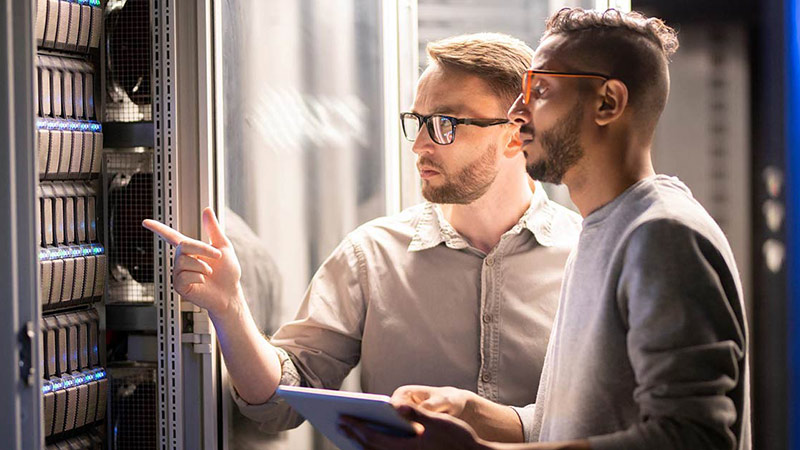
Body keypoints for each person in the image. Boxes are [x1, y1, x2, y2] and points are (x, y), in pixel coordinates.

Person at [339, 8, 751, 450]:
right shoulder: (602, 232)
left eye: (540, 90)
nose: (517, 114)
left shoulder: (663, 236)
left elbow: (693, 436)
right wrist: (472, 411)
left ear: (608, 102)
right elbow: (580, 421)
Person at [142, 33, 581, 441]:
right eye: (418, 121)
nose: (420, 145)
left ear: (515, 133)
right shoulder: (370, 254)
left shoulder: (586, 256)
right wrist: (229, 307)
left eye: (444, 123)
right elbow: (277, 404)